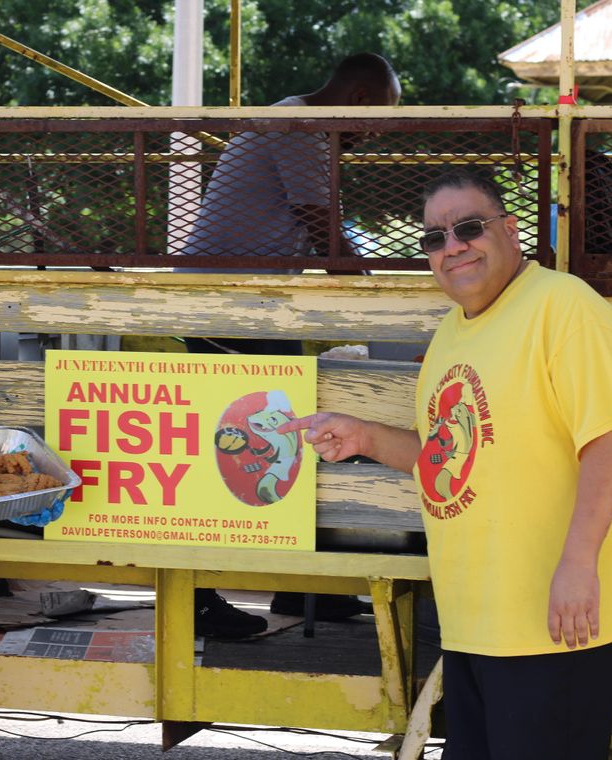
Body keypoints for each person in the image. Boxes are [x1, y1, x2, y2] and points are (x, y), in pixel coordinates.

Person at [280, 168, 612, 758]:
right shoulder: (452, 334)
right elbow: (448, 458)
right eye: (434, 237)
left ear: (511, 228)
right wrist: (363, 437)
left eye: (468, 227)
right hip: (479, 623)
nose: (452, 247)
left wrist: (577, 566)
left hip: (554, 624)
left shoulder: (563, 308)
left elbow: (610, 440)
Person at [177, 52, 402, 639]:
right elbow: (325, 229)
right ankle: (198, 600)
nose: (375, 134)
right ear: (357, 99)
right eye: (379, 118)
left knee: (289, 435)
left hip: (256, 308)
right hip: (223, 311)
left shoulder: (309, 132)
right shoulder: (298, 125)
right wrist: (386, 310)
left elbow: (329, 232)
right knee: (230, 451)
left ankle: (305, 586)